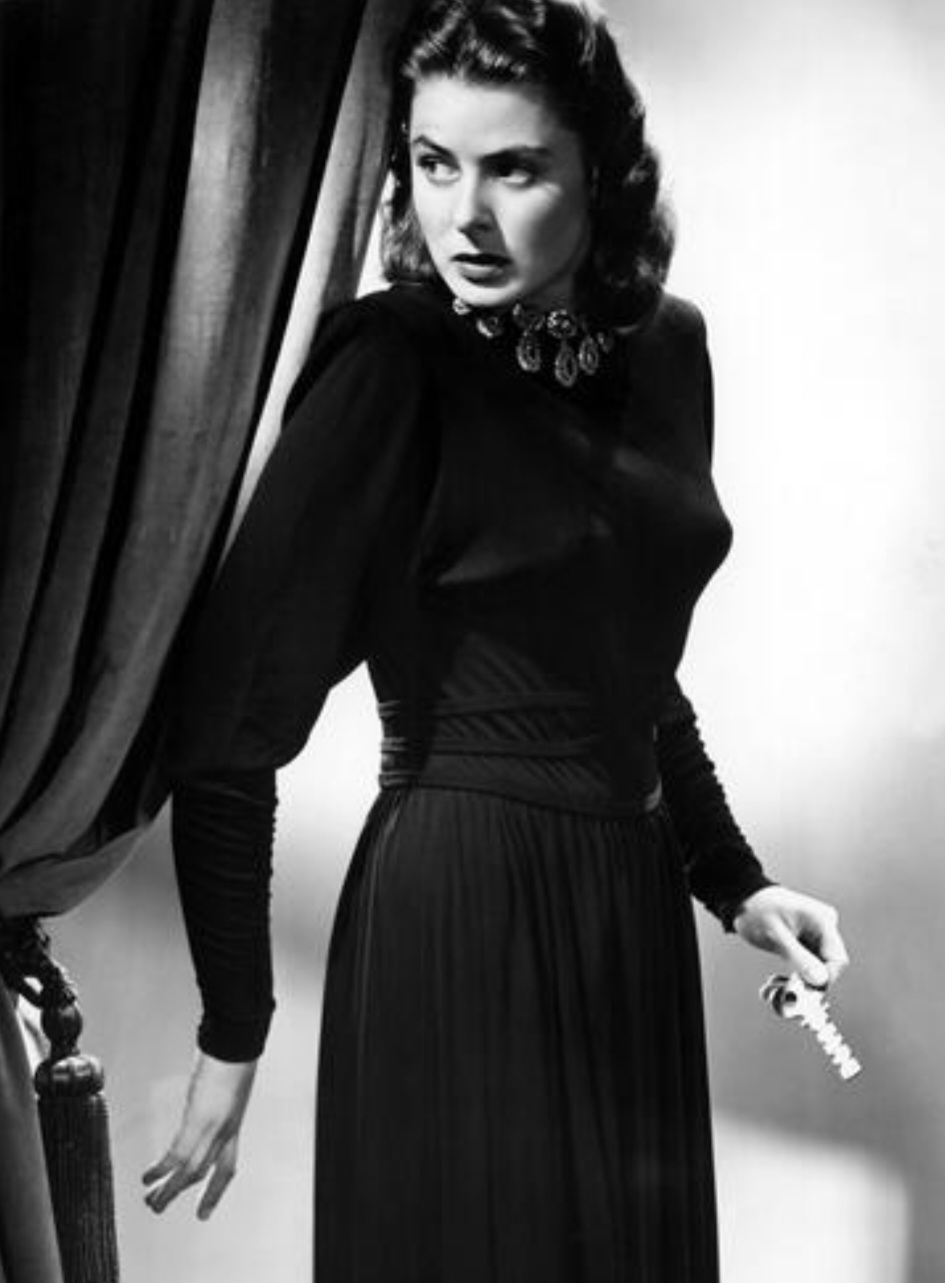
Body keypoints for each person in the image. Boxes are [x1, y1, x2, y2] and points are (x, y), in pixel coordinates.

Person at [143, 1, 850, 1279]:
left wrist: (735, 881)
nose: (460, 214)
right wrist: (232, 1026)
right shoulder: (392, 364)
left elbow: (629, 669)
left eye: (512, 168)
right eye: (433, 162)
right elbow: (229, 717)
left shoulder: (670, 349)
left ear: (602, 175)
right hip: (459, 908)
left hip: (628, 917)